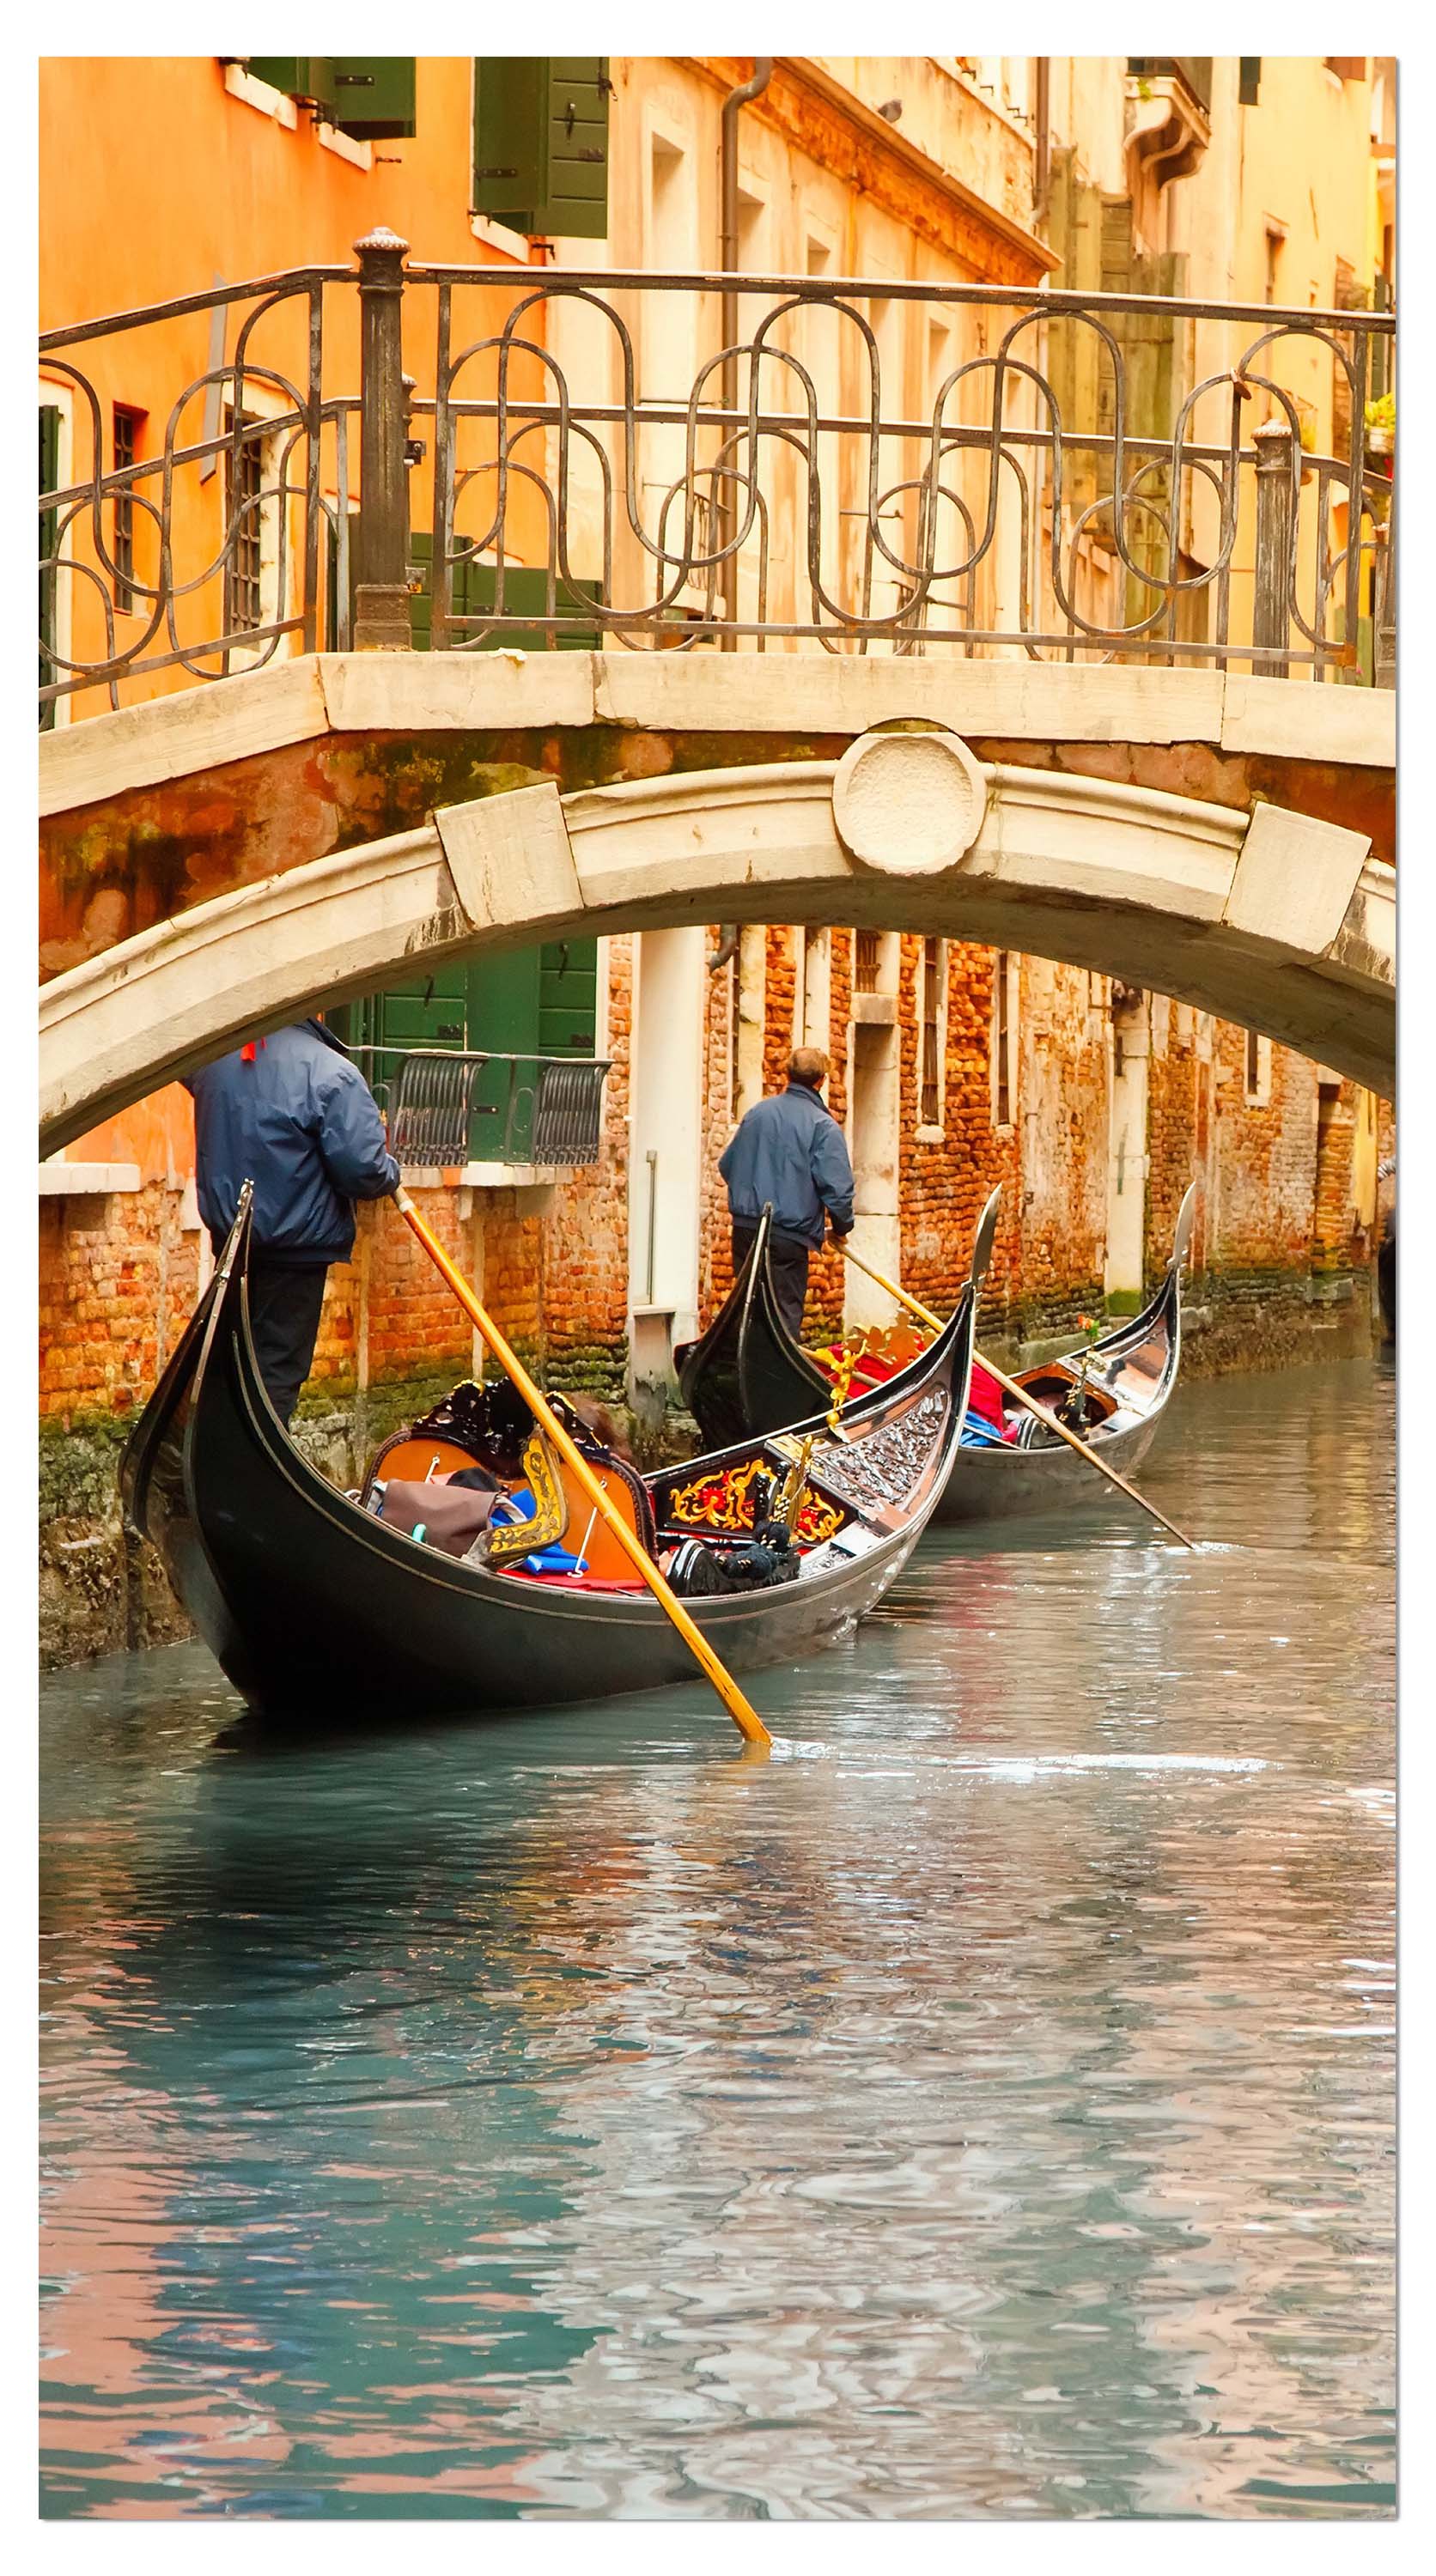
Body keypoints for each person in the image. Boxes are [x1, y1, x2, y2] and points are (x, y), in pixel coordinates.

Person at [187, 1020, 400, 1426]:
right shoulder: (331, 1073)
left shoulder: (211, 1062)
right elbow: (364, 1171)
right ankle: (249, 1481)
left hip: (232, 1246)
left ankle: (222, 1471)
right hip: (296, 1253)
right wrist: (391, 1170)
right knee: (275, 1376)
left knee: (229, 1371)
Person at [719, 1046, 855, 1340]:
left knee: (748, 1310)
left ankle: (746, 1370)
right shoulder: (824, 1127)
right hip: (787, 1239)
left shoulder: (757, 1114)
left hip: (746, 1231)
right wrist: (842, 1228)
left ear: (787, 1075)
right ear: (822, 1081)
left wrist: (750, 1199)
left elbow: (728, 1165)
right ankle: (771, 1374)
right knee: (782, 1316)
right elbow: (838, 1191)